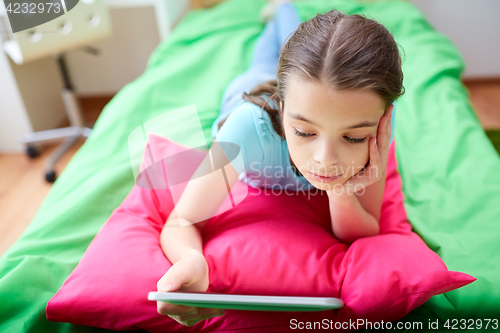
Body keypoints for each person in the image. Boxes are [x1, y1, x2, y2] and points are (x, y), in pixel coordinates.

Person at [155, 2, 404, 327]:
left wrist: (341, 192)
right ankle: (281, 8)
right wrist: (192, 260)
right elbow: (183, 220)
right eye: (304, 132)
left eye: (353, 138)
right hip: (252, 94)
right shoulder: (246, 129)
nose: (324, 160)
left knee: (294, 56)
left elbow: (366, 226)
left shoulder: (377, 122)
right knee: (263, 61)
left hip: (297, 91)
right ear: (284, 109)